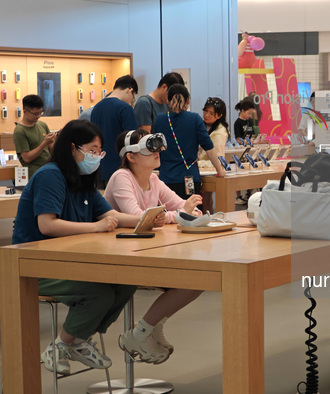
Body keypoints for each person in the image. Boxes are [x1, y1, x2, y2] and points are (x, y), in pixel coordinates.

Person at [12, 120, 151, 376]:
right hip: (34, 265)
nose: (96, 157)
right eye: (92, 150)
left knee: (128, 280)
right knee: (99, 294)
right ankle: (65, 344)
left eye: (100, 151)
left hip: (70, 260)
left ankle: (75, 340)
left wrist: (153, 218)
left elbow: (112, 215)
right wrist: (96, 228)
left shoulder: (83, 178)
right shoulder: (50, 175)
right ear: (73, 148)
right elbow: (47, 225)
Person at [103, 129, 203, 363]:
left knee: (198, 279)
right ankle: (142, 332)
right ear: (131, 156)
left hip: (146, 250)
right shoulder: (121, 177)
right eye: (150, 148)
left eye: (158, 147)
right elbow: (139, 216)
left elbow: (185, 208)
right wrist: (177, 214)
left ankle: (147, 329)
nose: (157, 152)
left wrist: (184, 211)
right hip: (119, 257)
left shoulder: (154, 180)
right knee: (190, 280)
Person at [154, 83, 226, 200]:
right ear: (188, 100)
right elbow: (209, 148)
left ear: (168, 100)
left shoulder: (160, 120)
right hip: (189, 178)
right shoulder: (195, 119)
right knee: (192, 214)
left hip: (166, 179)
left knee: (168, 216)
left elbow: (155, 149)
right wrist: (219, 170)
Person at [90, 74, 139, 186]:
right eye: (133, 97)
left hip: (98, 168)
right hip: (119, 169)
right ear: (130, 90)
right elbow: (133, 140)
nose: (132, 101)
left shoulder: (96, 108)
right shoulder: (125, 108)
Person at [198, 97, 230, 212]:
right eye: (205, 111)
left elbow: (218, 158)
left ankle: (209, 221)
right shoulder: (202, 124)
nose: (206, 115)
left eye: (211, 113)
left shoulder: (219, 132)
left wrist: (198, 163)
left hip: (209, 170)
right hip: (202, 169)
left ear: (219, 115)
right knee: (203, 200)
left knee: (206, 200)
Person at [13, 94, 55, 177]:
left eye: (40, 113)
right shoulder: (20, 131)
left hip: (48, 170)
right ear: (25, 112)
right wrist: (44, 143)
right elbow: (27, 158)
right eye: (35, 114)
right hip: (34, 174)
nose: (38, 116)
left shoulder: (42, 125)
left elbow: (51, 149)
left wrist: (55, 140)